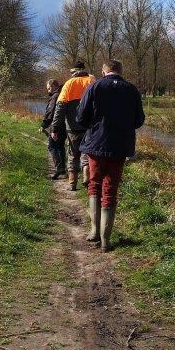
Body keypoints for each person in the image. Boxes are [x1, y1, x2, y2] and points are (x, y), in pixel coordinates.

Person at [76, 59, 145, 251]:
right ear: (120, 71)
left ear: (103, 71)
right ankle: (106, 241)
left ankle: (94, 231)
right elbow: (139, 120)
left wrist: (95, 125)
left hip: (96, 145)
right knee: (111, 189)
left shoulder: (95, 86)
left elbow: (80, 117)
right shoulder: (132, 90)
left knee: (94, 184)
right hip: (120, 147)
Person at [50, 61, 95, 190]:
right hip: (89, 126)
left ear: (74, 71)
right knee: (87, 152)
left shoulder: (69, 84)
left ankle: (72, 184)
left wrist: (55, 128)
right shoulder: (92, 81)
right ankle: (86, 176)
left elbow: (60, 108)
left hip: (72, 127)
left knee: (73, 154)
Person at [41, 79, 66, 179]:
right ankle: (63, 168)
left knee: (52, 146)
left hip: (56, 126)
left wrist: (44, 124)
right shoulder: (63, 94)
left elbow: (50, 113)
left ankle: (59, 168)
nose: (48, 90)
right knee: (60, 147)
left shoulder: (55, 96)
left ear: (55, 86)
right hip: (64, 125)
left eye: (49, 88)